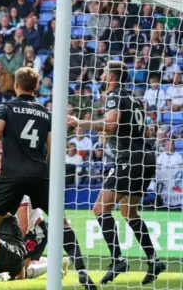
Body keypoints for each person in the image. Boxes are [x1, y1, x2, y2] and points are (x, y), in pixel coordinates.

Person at [0, 67, 95, 290]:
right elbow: (54, 148)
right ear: (36, 87)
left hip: (11, 176)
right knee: (62, 223)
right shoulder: (45, 113)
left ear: (16, 85)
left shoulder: (6, 107)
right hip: (39, 175)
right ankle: (84, 274)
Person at [67, 61, 166, 285]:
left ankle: (118, 259)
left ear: (110, 78)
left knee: (100, 208)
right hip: (146, 157)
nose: (101, 76)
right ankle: (154, 259)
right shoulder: (135, 99)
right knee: (129, 213)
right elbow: (148, 130)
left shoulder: (114, 96)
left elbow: (111, 125)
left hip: (129, 157)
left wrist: (80, 122)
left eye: (103, 73)